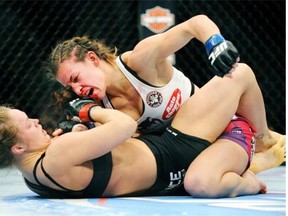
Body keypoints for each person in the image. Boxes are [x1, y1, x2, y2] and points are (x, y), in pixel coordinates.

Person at [0, 63, 284, 198]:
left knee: (239, 74)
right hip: (176, 155)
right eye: (28, 124)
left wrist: (80, 134)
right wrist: (88, 110)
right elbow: (124, 127)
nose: (37, 121)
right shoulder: (57, 153)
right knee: (203, 185)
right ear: (18, 148)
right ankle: (250, 172)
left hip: (174, 144)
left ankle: (262, 139)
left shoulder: (32, 178)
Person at [47, 14, 285, 173]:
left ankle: (264, 140)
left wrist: (215, 42)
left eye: (76, 78)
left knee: (238, 72)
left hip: (217, 121)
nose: (77, 90)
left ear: (92, 59)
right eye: (70, 87)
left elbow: (195, 23)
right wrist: (79, 132)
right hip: (191, 150)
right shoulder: (104, 109)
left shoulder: (140, 60)